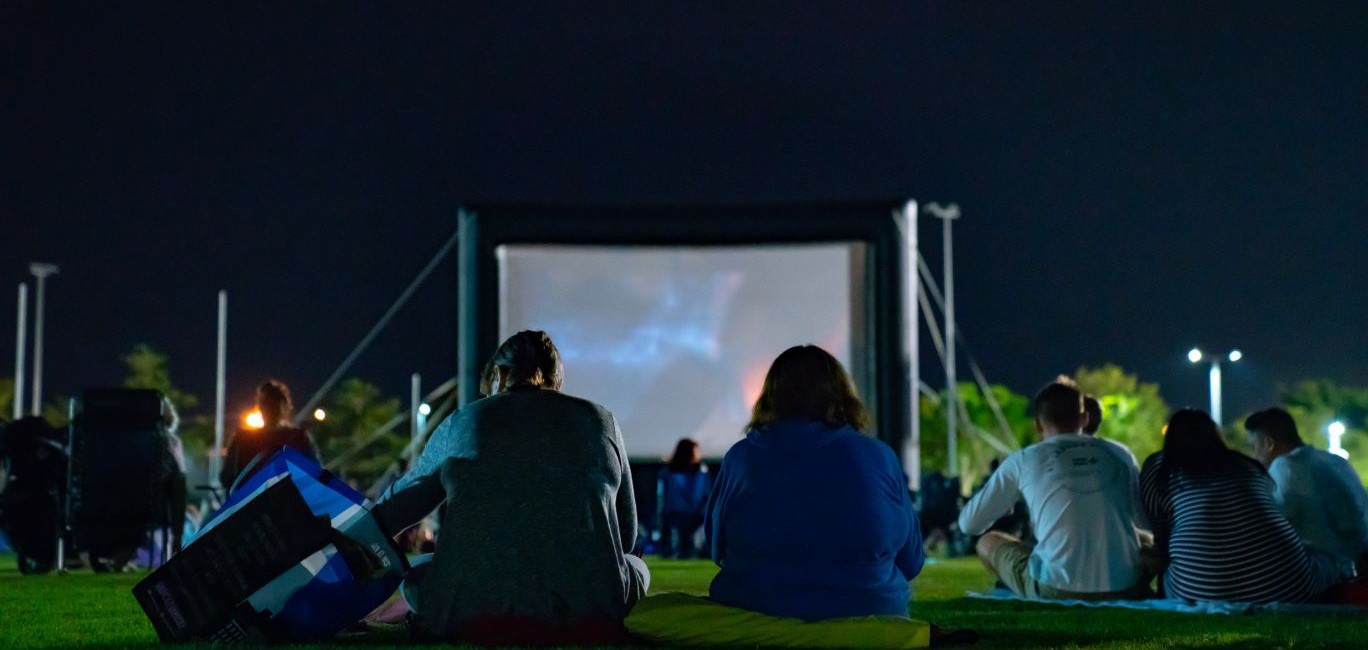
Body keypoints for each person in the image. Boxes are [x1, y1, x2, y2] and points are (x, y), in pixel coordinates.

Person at [373, 330, 648, 642]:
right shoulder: (600, 420)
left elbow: (392, 512)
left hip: (465, 613)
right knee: (636, 566)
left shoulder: (464, 421)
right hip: (589, 613)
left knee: (422, 568)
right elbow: (626, 537)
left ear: (499, 375)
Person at [706, 344, 924, 621]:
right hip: (868, 609)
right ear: (842, 394)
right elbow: (911, 561)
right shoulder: (878, 456)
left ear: (770, 396)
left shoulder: (740, 458)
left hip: (755, 608)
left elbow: (718, 550)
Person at [959, 380, 1149, 600]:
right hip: (1127, 587)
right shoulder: (1121, 454)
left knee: (987, 541)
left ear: (1038, 425)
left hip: (1057, 589)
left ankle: (1020, 583)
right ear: (1084, 418)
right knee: (1146, 539)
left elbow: (969, 524)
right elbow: (1144, 521)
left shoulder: (1024, 459)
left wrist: (1003, 506)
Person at [1141, 409, 1334, 603]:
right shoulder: (1246, 465)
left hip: (1201, 593)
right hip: (1287, 587)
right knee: (1328, 561)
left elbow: (1160, 541)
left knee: (1164, 566)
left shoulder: (1160, 468)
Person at [1245, 408, 1368, 583]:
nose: (1253, 455)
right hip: (1356, 565)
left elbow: (1269, 526)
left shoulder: (1285, 466)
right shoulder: (1336, 461)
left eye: (1254, 447)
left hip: (1325, 572)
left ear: (1268, 443)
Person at [220, 380, 320, 491]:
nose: (270, 409)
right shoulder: (300, 438)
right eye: (268, 404)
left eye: (273, 405)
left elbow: (227, 479)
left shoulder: (243, 439)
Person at [657, 438, 711, 559]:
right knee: (686, 543)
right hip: (686, 512)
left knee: (684, 543)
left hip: (680, 512)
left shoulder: (668, 471)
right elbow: (704, 492)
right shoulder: (700, 470)